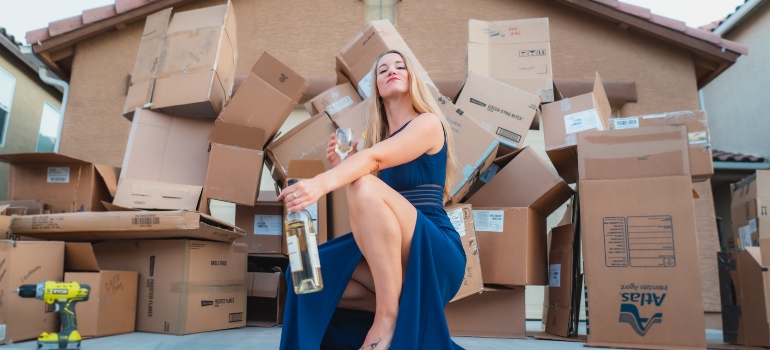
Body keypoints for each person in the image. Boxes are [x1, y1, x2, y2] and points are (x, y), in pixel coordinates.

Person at [278, 49, 466, 350]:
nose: (392, 71)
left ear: (411, 78)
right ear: (376, 88)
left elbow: (374, 161)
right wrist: (347, 166)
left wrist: (321, 183)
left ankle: (387, 318)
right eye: (383, 70)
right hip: (392, 252)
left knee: (364, 185)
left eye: (400, 66)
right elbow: (373, 181)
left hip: (434, 249)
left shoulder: (428, 123)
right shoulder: (376, 144)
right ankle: (400, 318)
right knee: (305, 274)